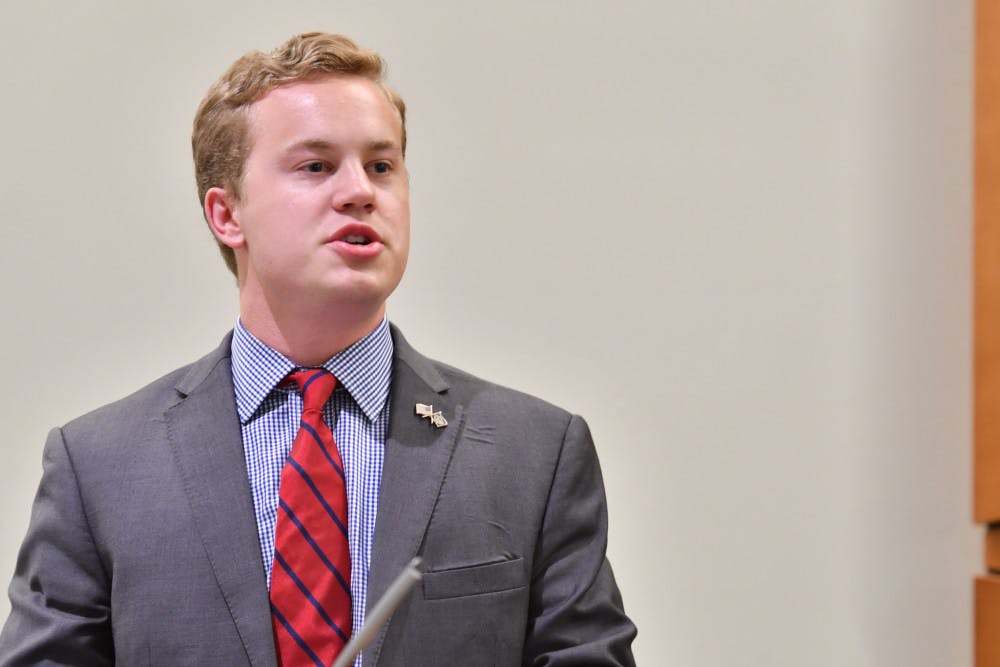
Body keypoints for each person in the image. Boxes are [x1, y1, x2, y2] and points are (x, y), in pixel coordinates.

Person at [0, 32, 636, 666]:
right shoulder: (99, 468)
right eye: (316, 166)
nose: (360, 191)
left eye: (381, 166)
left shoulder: (536, 454)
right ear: (227, 215)